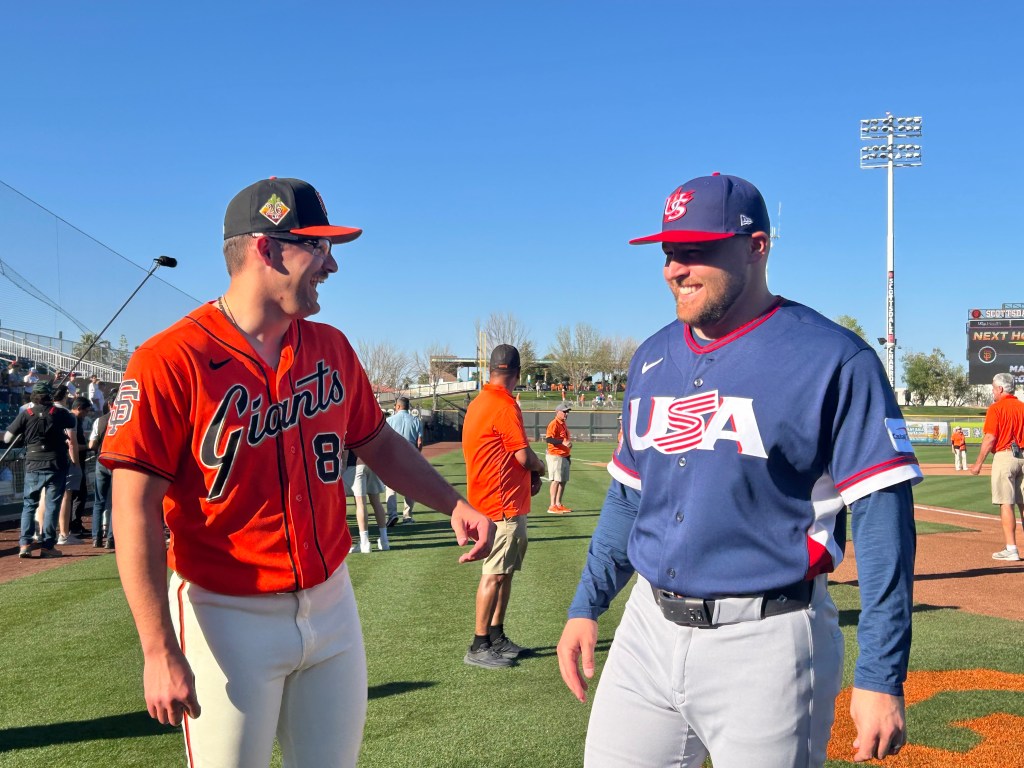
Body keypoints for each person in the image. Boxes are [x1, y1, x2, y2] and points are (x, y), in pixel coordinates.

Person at [99, 176, 494, 768]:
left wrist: (453, 503)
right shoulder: (168, 360)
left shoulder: (331, 347)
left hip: (331, 603)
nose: (331, 265)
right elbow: (131, 506)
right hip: (225, 615)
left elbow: (379, 442)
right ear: (266, 247)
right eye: (317, 246)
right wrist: (157, 647)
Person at [555, 173, 922, 767]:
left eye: (698, 249)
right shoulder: (651, 356)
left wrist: (881, 673)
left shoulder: (834, 358)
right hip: (646, 629)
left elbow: (884, 521)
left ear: (757, 247)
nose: (676, 267)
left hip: (768, 641)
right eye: (671, 251)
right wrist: (584, 606)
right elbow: (628, 500)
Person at [461, 344, 545, 668]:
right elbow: (523, 455)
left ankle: (495, 636)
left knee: (504, 572)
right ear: (518, 374)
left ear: (490, 370)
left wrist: (527, 476)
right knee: (495, 574)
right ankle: (479, 644)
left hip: (493, 500)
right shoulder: (504, 404)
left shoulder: (480, 402)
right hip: (501, 505)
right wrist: (538, 470)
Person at [5, 381, 77, 558]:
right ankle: (47, 546)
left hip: (33, 464)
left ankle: (25, 544)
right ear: (49, 397)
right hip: (56, 465)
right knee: (52, 506)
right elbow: (73, 420)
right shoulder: (59, 413)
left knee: (29, 505)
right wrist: (54, 405)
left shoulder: (26, 414)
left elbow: (7, 439)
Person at [969, 372, 1024, 560]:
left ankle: (1011, 549)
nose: (992, 391)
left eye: (993, 388)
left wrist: (978, 464)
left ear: (1000, 389)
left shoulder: (996, 408)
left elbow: (990, 437)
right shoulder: (1023, 407)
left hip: (1005, 456)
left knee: (1006, 502)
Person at [385, 396, 423, 525]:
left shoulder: (389, 420)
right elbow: (420, 442)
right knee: (410, 487)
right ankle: (407, 516)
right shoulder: (416, 421)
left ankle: (392, 514)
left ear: (399, 406)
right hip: (410, 456)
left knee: (391, 487)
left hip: (393, 457)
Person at [350, 455, 390, 553]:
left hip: (357, 464)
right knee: (376, 502)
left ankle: (365, 542)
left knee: (360, 504)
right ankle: (384, 540)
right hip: (373, 463)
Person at [89, 400, 114, 549]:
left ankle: (96, 538)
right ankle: (110, 539)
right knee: (113, 502)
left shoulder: (100, 420)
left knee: (99, 501)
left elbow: (92, 444)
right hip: (117, 462)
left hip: (101, 460)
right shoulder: (126, 417)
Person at [545, 403, 573, 514]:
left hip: (564, 456)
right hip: (555, 455)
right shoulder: (554, 424)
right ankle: (552, 505)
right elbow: (549, 439)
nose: (566, 414)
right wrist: (563, 442)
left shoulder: (563, 424)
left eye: (567, 412)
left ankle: (558, 504)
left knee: (563, 481)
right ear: (558, 412)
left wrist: (568, 453)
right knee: (556, 480)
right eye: (564, 411)